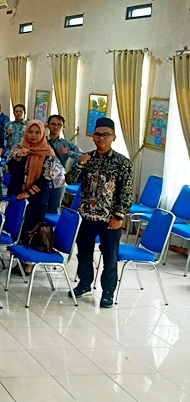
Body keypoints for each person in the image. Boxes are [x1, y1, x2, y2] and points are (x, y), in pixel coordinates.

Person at [67, 118, 133, 308]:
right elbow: (70, 180)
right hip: (86, 216)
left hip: (109, 219)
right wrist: (79, 164)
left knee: (110, 256)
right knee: (84, 253)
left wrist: (119, 216)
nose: (101, 138)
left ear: (113, 137)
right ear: (93, 136)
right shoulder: (86, 158)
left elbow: (126, 192)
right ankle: (84, 283)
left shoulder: (122, 163)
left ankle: (108, 292)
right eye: (97, 134)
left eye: (106, 135)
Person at [5, 121, 64, 272]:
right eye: (30, 132)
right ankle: (19, 259)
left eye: (37, 132)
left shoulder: (48, 153)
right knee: (16, 229)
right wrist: (18, 157)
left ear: (43, 134)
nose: (33, 135)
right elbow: (9, 169)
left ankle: (29, 265)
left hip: (37, 198)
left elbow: (47, 178)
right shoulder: (17, 149)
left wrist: (28, 193)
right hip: (18, 196)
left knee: (31, 230)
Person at [46, 115, 83, 213]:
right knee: (39, 207)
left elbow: (82, 156)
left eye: (59, 124)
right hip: (42, 180)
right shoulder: (42, 141)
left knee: (53, 209)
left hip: (58, 180)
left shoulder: (67, 144)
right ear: (47, 125)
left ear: (63, 127)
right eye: (53, 124)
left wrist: (69, 152)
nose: (56, 127)